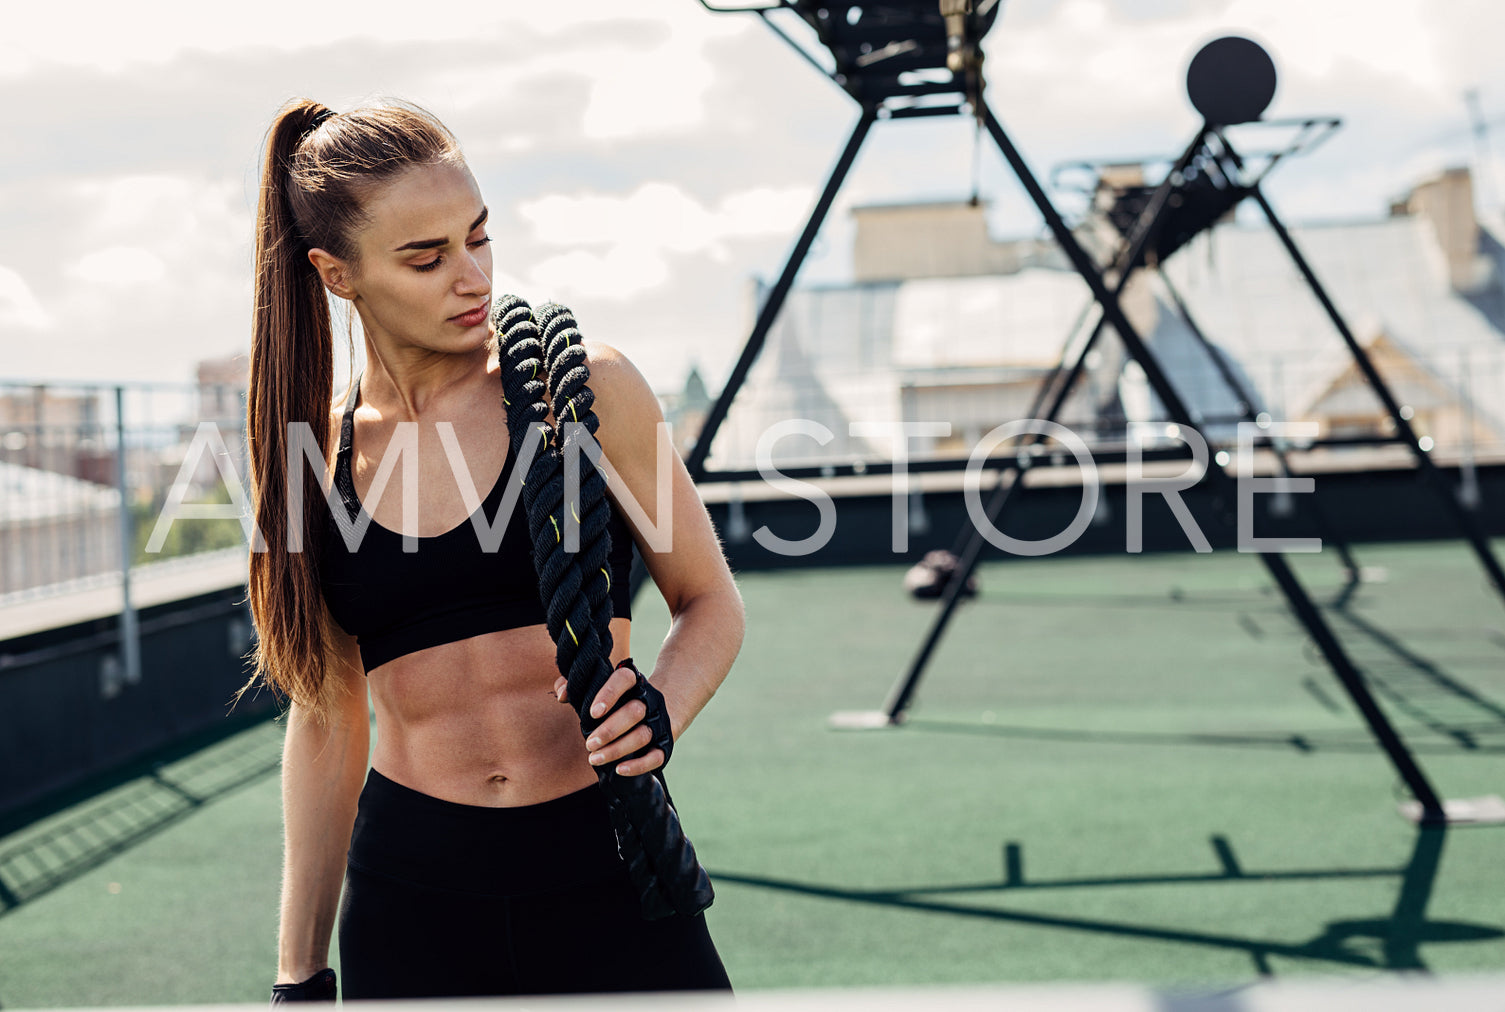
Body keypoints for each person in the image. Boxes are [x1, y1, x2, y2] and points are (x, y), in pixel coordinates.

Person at [237, 97, 745, 1000]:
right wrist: (299, 971)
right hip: (411, 897)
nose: (470, 276)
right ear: (337, 273)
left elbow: (710, 602)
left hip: (609, 868)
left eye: (478, 238)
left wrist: (663, 707)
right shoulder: (305, 456)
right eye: (426, 258)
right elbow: (325, 719)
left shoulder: (586, 390)